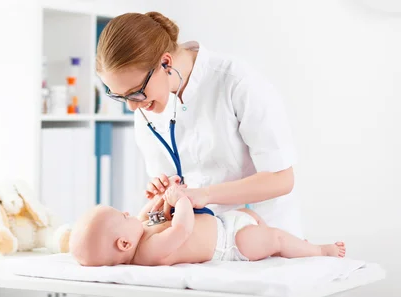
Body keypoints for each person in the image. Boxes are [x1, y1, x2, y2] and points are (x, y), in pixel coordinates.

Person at [96, 11, 303, 238]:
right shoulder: (147, 109)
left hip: (264, 238)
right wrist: (165, 191)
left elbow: (281, 179)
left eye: (135, 93)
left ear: (166, 62)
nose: (133, 107)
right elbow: (172, 189)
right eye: (120, 97)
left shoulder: (237, 82)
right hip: (203, 243)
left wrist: (205, 194)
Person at [69, 178, 345, 267]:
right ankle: (320, 250)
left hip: (227, 222)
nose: (130, 213)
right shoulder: (148, 251)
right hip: (231, 245)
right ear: (124, 244)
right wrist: (183, 201)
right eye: (123, 216)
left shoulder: (139, 232)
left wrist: (161, 194)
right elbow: (182, 228)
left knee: (260, 222)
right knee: (274, 239)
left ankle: (299, 247)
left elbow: (151, 215)